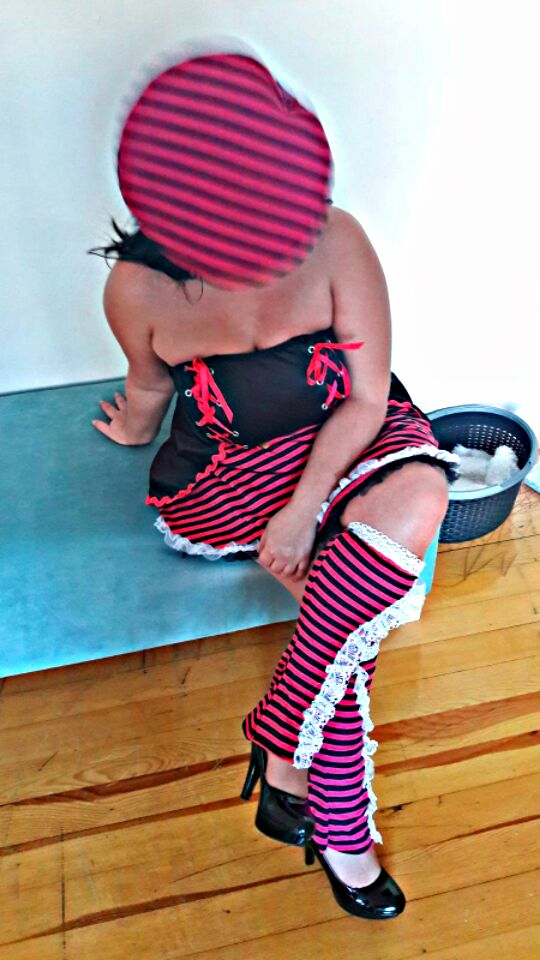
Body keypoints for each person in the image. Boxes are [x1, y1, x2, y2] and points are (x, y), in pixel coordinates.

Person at [91, 51, 459, 920]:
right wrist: (133, 427)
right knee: (347, 623)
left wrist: (302, 513)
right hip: (229, 468)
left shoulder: (337, 239)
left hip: (349, 434)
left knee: (420, 496)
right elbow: (149, 387)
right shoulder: (136, 289)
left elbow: (367, 396)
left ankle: (282, 740)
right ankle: (341, 827)